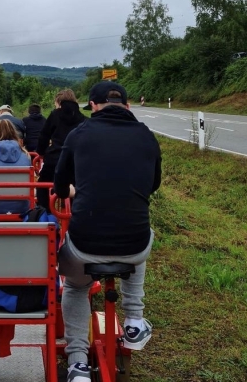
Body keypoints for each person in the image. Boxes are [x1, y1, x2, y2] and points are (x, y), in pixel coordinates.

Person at [53, 82, 162, 382]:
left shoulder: (79, 134)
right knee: (142, 238)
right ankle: (134, 321)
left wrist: (76, 189)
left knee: (76, 287)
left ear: (94, 105)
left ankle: (77, 362)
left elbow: (60, 184)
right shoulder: (146, 136)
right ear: (127, 106)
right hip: (134, 243)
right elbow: (153, 184)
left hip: (85, 244)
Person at [35, 90, 85, 211]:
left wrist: (41, 153)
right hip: (76, 161)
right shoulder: (83, 118)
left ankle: (45, 212)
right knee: (78, 187)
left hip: (55, 159)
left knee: (42, 184)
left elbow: (44, 136)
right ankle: (75, 212)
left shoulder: (55, 115)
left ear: (58, 102)